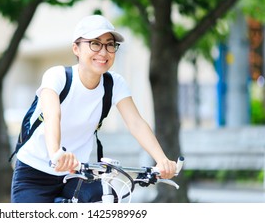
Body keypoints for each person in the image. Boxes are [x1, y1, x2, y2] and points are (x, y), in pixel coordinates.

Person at [11, 14, 177, 203]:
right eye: (95, 43)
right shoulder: (57, 76)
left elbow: (136, 123)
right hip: (34, 173)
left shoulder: (114, 84)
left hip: (76, 175)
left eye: (110, 44)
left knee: (109, 197)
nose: (104, 52)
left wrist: (162, 160)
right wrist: (56, 153)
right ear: (76, 48)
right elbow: (52, 115)